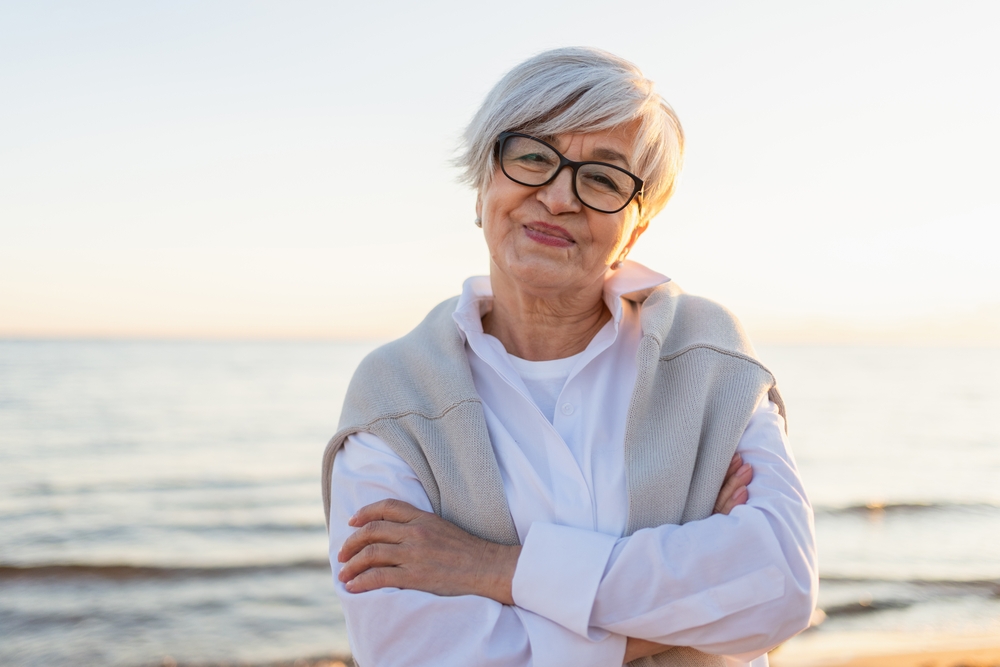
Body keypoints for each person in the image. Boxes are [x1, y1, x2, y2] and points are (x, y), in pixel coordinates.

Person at [321, 47, 818, 667]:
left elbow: (780, 587)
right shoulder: (395, 395)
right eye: (531, 156)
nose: (559, 197)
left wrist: (496, 570)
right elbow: (413, 653)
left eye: (604, 178)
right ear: (483, 185)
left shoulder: (708, 356)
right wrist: (688, 619)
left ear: (635, 228)